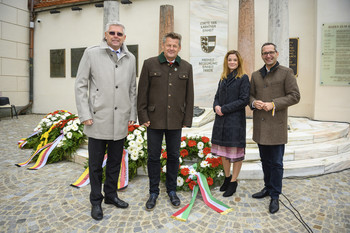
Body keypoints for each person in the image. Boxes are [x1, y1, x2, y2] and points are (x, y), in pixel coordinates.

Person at [75, 21, 137, 220]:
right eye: (112, 33)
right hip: (97, 119)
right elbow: (81, 85)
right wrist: (85, 114)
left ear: (124, 37)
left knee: (115, 163)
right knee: (94, 165)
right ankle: (96, 201)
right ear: (106, 35)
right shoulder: (91, 53)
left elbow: (132, 89)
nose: (116, 36)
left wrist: (132, 116)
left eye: (119, 33)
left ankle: (111, 195)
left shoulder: (130, 58)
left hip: (120, 121)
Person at [137, 32, 194, 211]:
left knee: (174, 156)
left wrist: (187, 118)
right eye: (168, 45)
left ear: (179, 48)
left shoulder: (186, 67)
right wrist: (143, 116)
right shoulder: (149, 64)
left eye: (175, 46)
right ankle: (153, 192)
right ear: (163, 46)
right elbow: (142, 93)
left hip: (176, 120)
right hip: (153, 120)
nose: (171, 48)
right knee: (153, 157)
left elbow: (189, 96)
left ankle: (171, 190)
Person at [249, 42, 300, 214]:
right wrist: (253, 102)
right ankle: (267, 188)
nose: (268, 56)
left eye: (271, 52)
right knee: (265, 161)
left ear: (276, 53)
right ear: (262, 55)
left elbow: (295, 96)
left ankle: (275, 195)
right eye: (265, 53)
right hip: (261, 126)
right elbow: (250, 95)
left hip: (276, 125)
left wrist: (273, 104)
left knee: (276, 163)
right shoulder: (256, 75)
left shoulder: (286, 72)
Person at [211, 50, 250, 197]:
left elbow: (244, 100)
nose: (232, 62)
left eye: (234, 60)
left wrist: (224, 109)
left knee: (235, 153)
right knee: (224, 153)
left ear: (238, 62)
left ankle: (234, 182)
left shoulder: (243, 78)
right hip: (221, 121)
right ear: (226, 62)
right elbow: (216, 96)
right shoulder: (223, 78)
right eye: (229, 60)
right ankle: (227, 178)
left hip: (235, 121)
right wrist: (216, 106)